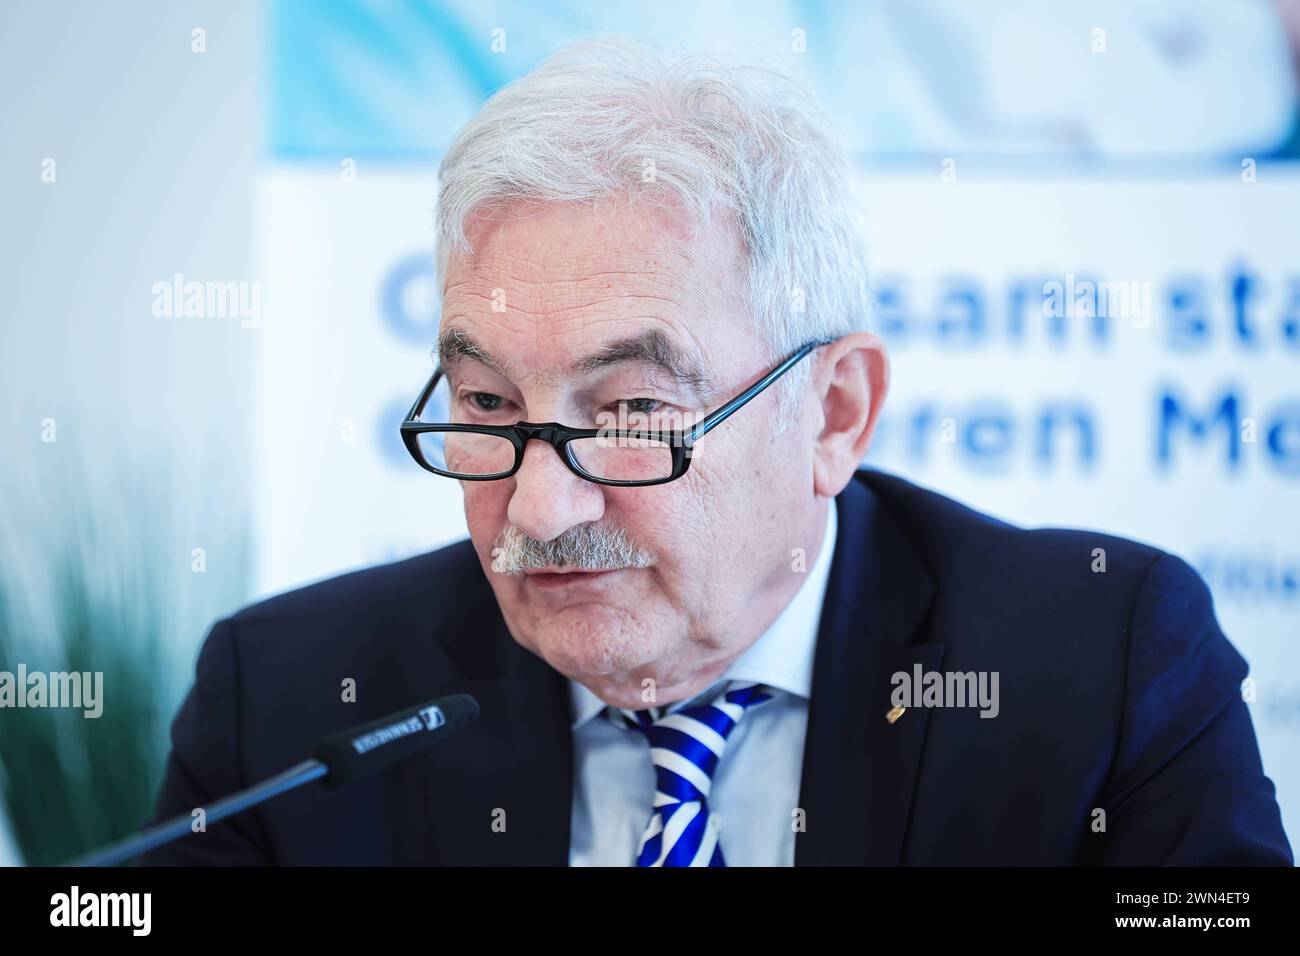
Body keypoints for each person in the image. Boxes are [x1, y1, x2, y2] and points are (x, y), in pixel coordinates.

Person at [143, 39, 1291, 866]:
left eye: (634, 411)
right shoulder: (288, 704)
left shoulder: (1101, 668)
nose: (538, 510)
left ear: (834, 413)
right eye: (489, 402)